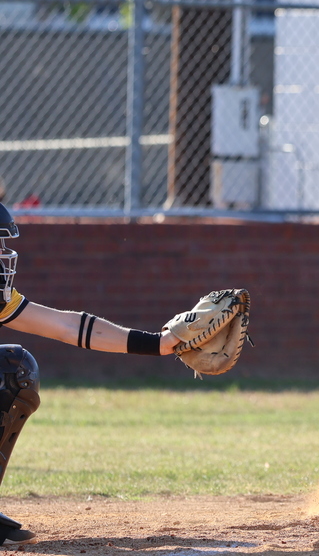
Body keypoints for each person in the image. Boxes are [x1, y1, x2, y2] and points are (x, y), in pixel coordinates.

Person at [0, 203, 184, 545]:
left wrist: (159, 343)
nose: (2, 257)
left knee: (14, 370)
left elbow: (70, 326)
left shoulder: (3, 302)